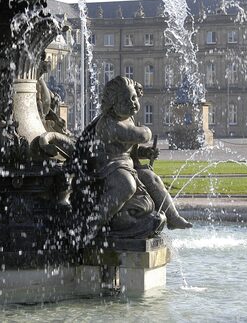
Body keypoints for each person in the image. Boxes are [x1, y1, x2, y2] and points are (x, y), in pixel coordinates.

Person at [74, 76, 191, 241]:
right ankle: (92, 224)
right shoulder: (109, 124)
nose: (132, 103)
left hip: (126, 165)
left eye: (134, 98)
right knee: (126, 185)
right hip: (107, 169)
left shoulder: (127, 118)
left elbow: (128, 147)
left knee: (153, 178)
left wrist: (145, 153)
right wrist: (146, 132)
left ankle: (172, 217)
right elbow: (137, 135)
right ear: (113, 103)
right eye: (125, 100)